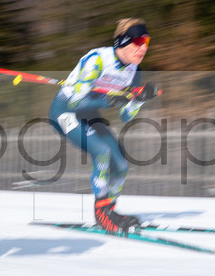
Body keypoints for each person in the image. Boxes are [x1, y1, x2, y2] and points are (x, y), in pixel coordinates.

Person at [48, 18, 159, 235]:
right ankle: (101, 214)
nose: (143, 47)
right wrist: (109, 101)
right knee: (102, 152)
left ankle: (109, 210)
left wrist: (139, 99)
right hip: (64, 113)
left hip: (88, 115)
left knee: (121, 165)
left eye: (147, 41)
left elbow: (126, 116)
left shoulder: (135, 71)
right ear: (122, 42)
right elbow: (75, 103)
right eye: (138, 40)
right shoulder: (97, 60)